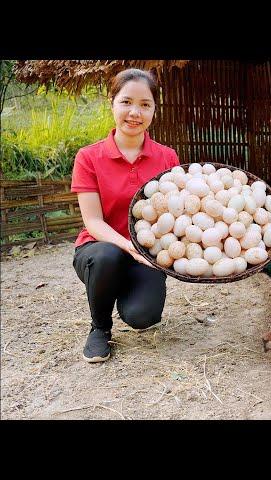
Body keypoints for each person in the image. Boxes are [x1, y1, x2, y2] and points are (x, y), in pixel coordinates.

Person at [71, 68, 180, 363]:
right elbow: (93, 222)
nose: (135, 112)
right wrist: (129, 246)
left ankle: (121, 290)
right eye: (126, 102)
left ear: (155, 109)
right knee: (108, 256)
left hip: (146, 254)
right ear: (112, 103)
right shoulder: (89, 157)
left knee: (142, 317)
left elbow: (175, 214)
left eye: (145, 104)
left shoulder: (167, 157)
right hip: (99, 249)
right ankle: (99, 328)